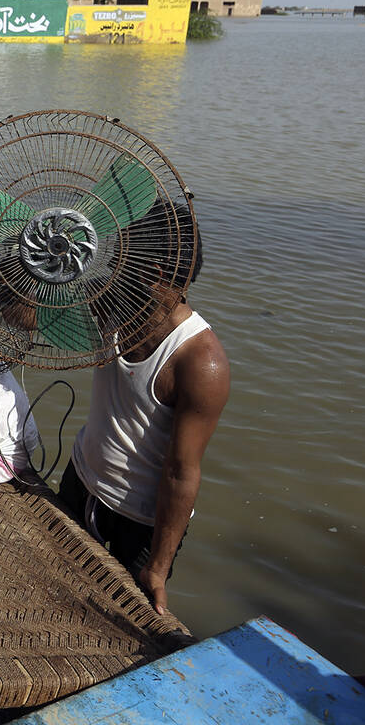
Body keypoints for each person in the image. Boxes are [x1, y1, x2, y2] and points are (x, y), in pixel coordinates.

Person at [58, 202, 231, 615]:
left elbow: (181, 471)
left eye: (122, 257)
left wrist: (157, 566)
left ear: (153, 274)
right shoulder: (110, 301)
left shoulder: (200, 362)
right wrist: (31, 266)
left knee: (111, 622)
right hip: (81, 480)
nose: (112, 263)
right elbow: (27, 318)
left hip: (141, 522)